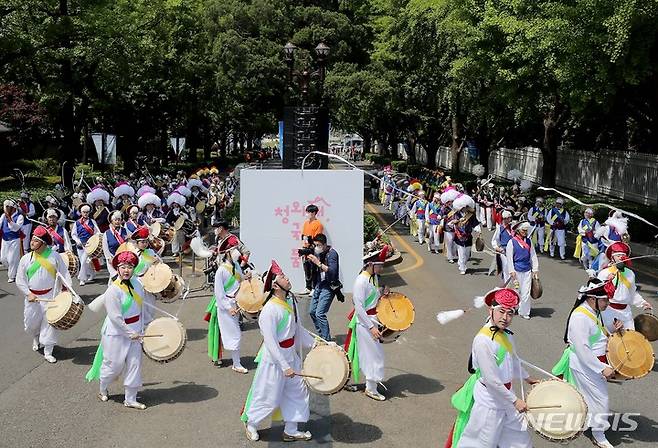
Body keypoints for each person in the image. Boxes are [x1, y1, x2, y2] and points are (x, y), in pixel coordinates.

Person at [446, 288, 537, 448]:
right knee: (482, 443)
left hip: (508, 397)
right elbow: (492, 381)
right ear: (490, 310)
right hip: (490, 401)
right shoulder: (482, 341)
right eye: (501, 311)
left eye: (510, 313)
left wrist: (528, 378)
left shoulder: (506, 334)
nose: (505, 317)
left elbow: (514, 361)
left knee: (521, 441)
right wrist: (515, 401)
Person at [241, 261, 316, 442]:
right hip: (274, 361)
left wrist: (316, 345)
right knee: (269, 396)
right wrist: (284, 366)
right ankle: (251, 423)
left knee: (298, 392)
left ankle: (291, 429)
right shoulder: (269, 310)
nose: (288, 278)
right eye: (283, 277)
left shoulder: (290, 301)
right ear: (275, 285)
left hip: (291, 356)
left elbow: (297, 330)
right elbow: (271, 342)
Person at [551, 278, 622, 448]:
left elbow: (596, 334)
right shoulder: (580, 317)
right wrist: (601, 368)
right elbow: (583, 349)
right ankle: (598, 434)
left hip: (591, 363)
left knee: (584, 396)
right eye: (604, 300)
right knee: (601, 399)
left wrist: (613, 329)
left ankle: (581, 423)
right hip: (585, 364)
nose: (607, 303)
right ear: (592, 299)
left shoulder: (592, 312)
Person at [85, 250, 156, 410]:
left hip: (136, 330)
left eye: (130, 267)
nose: (126, 270)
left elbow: (142, 307)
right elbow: (115, 318)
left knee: (134, 364)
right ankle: (103, 388)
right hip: (116, 333)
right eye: (123, 267)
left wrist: (147, 325)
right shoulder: (113, 290)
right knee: (113, 366)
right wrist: (131, 333)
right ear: (117, 268)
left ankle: (130, 398)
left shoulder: (138, 284)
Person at [16, 226, 70, 363]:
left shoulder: (54, 256)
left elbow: (64, 274)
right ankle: (36, 337)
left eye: (35, 240)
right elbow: (20, 279)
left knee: (50, 324)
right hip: (32, 297)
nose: (31, 242)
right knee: (31, 324)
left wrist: (66, 291)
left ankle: (48, 351)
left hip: (51, 296)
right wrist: (28, 293)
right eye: (32, 240)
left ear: (43, 243)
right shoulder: (26, 259)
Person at [344, 251, 388, 401]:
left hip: (372, 320)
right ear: (370, 264)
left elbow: (372, 299)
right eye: (379, 265)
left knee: (374, 355)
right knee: (374, 356)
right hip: (365, 323)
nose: (381, 269)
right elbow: (359, 307)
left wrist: (382, 293)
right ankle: (371, 388)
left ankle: (371, 385)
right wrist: (371, 327)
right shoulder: (360, 281)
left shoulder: (372, 277)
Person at [204, 236, 248, 373]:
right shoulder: (221, 271)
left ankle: (235, 361)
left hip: (237, 303)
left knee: (233, 333)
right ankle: (237, 363)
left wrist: (247, 277)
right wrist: (229, 309)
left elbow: (240, 282)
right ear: (228, 252)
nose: (237, 252)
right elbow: (219, 294)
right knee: (235, 334)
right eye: (234, 249)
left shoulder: (236, 267)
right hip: (227, 306)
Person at [596, 242, 652, 330]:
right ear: (612, 257)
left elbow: (632, 292)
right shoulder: (604, 273)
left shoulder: (630, 273)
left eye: (623, 255)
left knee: (630, 338)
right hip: (608, 310)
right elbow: (596, 292)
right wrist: (606, 281)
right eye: (618, 255)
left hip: (626, 312)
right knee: (610, 339)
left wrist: (642, 303)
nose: (620, 258)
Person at [306, 233, 340, 341]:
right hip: (319, 285)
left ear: (325, 244)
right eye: (315, 245)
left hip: (328, 286)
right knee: (312, 311)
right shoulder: (318, 253)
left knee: (320, 313)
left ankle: (326, 339)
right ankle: (321, 335)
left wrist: (318, 263)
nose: (317, 248)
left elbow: (333, 272)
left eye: (319, 245)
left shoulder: (332, 254)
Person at [506, 221, 539, 320]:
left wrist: (535, 269)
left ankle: (524, 311)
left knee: (526, 292)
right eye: (523, 230)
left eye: (526, 230)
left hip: (527, 270)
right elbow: (509, 258)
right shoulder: (512, 242)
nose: (525, 232)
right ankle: (511, 308)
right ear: (518, 231)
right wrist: (511, 271)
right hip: (516, 271)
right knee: (515, 291)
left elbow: (533, 255)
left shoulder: (529, 241)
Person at [70, 204, 102, 286]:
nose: (85, 214)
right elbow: (73, 234)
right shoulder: (77, 223)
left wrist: (96, 240)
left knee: (84, 261)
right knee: (84, 262)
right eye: (84, 212)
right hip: (81, 245)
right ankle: (91, 273)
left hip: (91, 245)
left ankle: (82, 278)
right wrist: (77, 241)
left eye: (87, 212)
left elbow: (97, 232)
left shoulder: (92, 222)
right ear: (81, 212)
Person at [451, 195, 481, 275]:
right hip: (459, 236)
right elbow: (450, 223)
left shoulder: (471, 215)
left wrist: (478, 230)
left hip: (468, 236)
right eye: (463, 206)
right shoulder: (456, 214)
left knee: (467, 254)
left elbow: (475, 224)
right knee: (461, 253)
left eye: (466, 206)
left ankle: (462, 262)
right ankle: (462, 267)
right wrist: (456, 221)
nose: (464, 208)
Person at [300, 204, 324, 295]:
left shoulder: (318, 224)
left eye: (309, 212)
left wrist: (311, 240)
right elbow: (304, 235)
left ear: (314, 213)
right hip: (305, 248)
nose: (308, 214)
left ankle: (314, 288)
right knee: (306, 268)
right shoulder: (306, 223)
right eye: (307, 212)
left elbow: (317, 238)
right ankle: (308, 287)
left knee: (313, 268)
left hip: (313, 248)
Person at [1, 199, 25, 282]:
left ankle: (12, 275)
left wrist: (9, 220)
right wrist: (7, 217)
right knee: (3, 259)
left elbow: (15, 228)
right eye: (6, 207)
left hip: (14, 240)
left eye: (8, 207)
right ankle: (13, 269)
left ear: (13, 208)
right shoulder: (3, 216)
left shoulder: (20, 217)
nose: (6, 209)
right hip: (5, 239)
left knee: (12, 259)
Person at [102, 211, 128, 280]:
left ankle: (111, 288)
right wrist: (108, 258)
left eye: (119, 220)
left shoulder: (125, 231)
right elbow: (105, 247)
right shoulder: (107, 233)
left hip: (124, 258)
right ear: (111, 221)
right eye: (115, 220)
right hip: (112, 257)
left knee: (121, 277)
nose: (117, 222)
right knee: (115, 276)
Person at [491, 211, 513, 282]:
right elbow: (494, 240)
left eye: (510, 218)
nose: (510, 220)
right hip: (504, 250)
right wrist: (497, 248)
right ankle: (506, 283)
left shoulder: (512, 227)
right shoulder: (499, 228)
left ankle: (512, 282)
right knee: (506, 267)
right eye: (508, 218)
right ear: (504, 219)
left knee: (513, 267)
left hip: (513, 250)